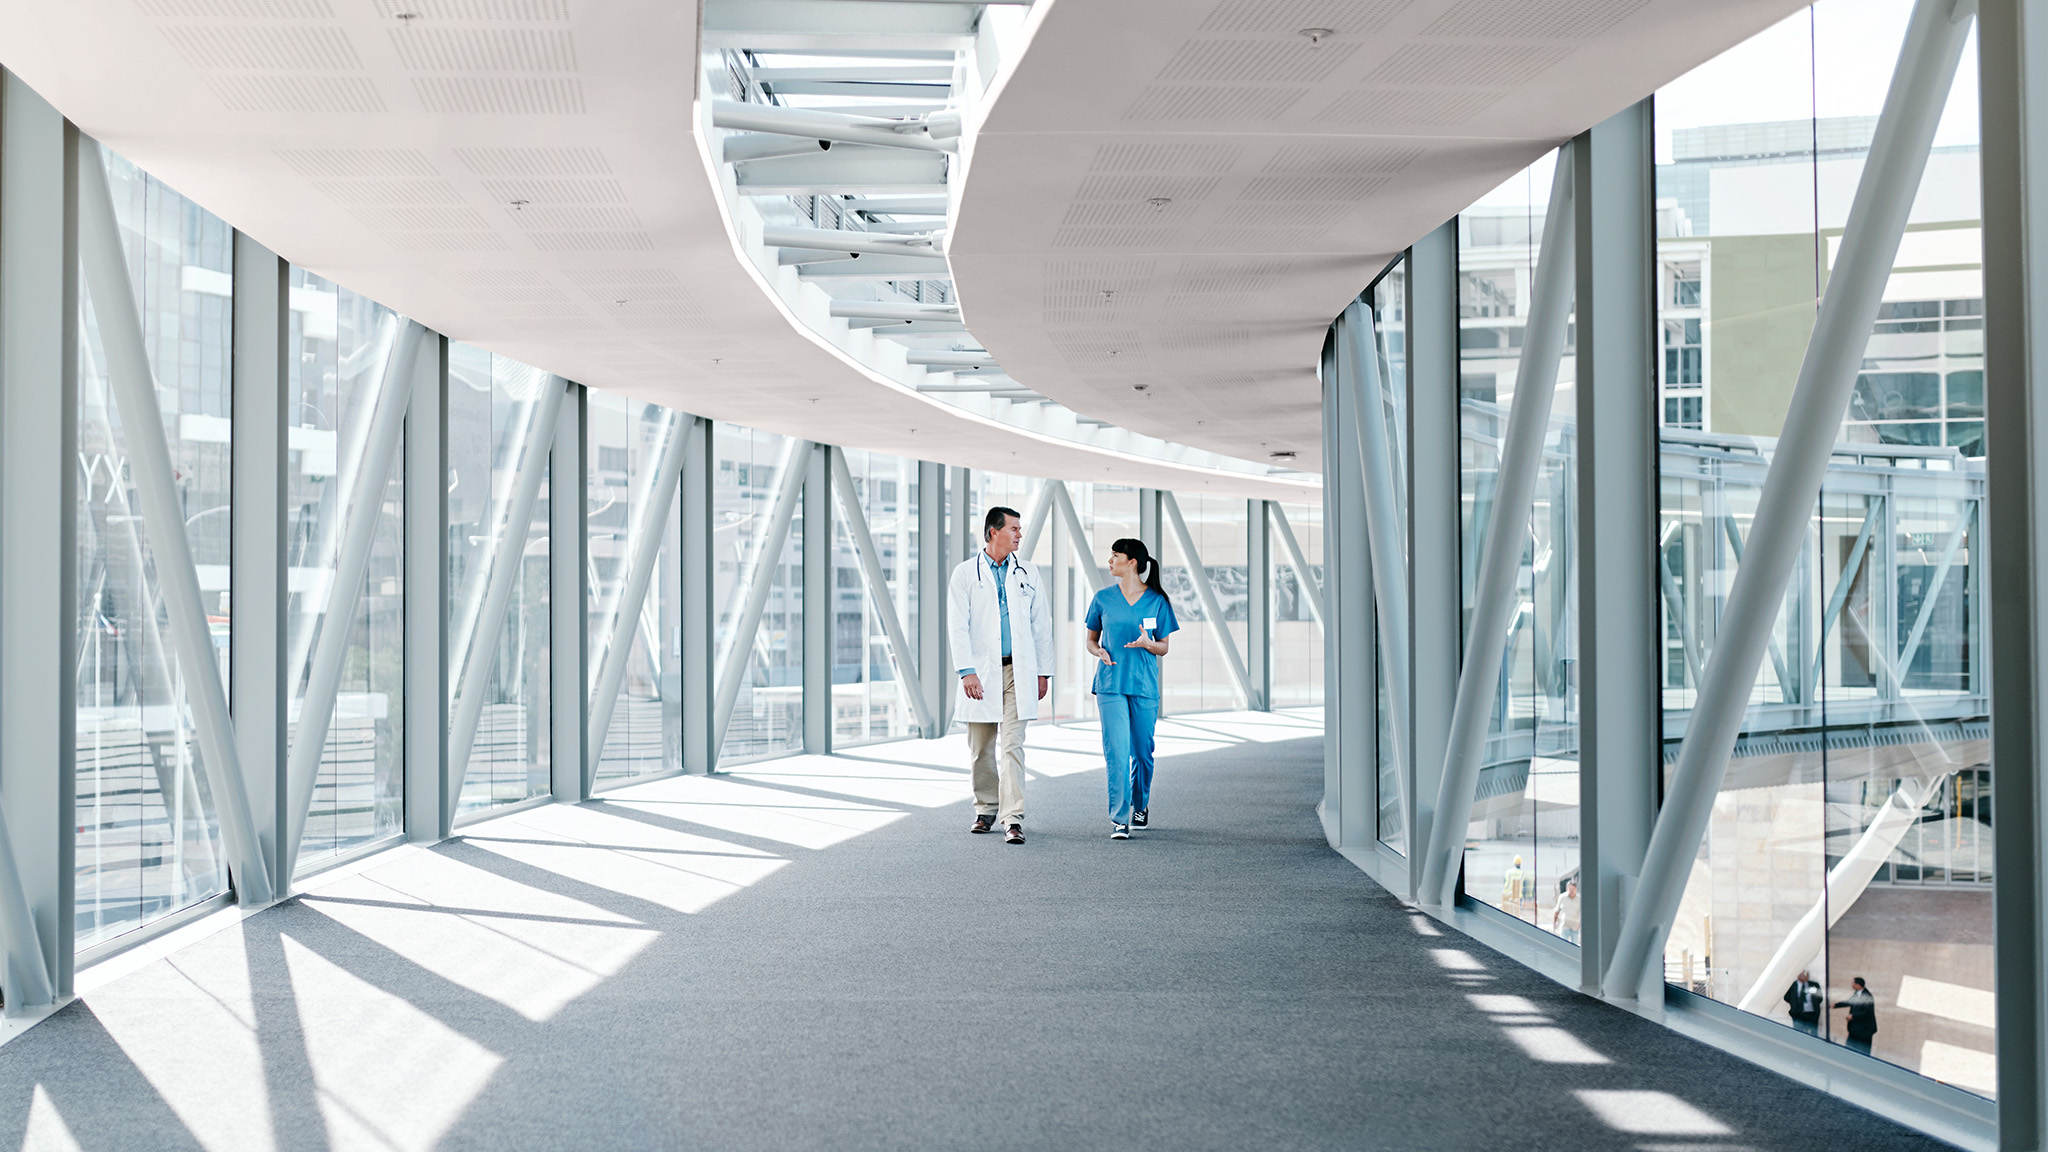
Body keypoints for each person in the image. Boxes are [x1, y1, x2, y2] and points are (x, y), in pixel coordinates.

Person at [949, 505, 1054, 845]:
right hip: (980, 673)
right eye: (1014, 529)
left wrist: (1043, 672)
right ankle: (985, 809)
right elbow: (957, 626)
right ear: (993, 532)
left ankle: (1013, 818)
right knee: (981, 748)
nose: (1019, 535)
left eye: (1020, 529)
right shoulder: (965, 573)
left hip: (1017, 672)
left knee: (1012, 745)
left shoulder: (1028, 572)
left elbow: (1042, 625)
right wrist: (967, 672)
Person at [1083, 538, 1179, 839]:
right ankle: (1120, 818)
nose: (1109, 560)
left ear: (1132, 562)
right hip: (1111, 683)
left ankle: (1141, 805)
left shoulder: (1157, 601)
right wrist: (1098, 651)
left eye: (1115, 555)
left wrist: (1148, 643)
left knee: (1142, 752)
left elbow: (1163, 647)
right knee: (1117, 750)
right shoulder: (1102, 598)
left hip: (1143, 686)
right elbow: (1091, 640)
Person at [1835, 977, 1878, 1055]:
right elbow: (1849, 1002)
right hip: (1855, 1027)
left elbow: (1867, 1012)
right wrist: (1836, 1005)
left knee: (1863, 1050)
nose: (1852, 985)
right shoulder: (1857, 993)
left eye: (1853, 983)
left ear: (1858, 985)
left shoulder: (1867, 996)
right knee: (1850, 1047)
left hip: (1864, 1029)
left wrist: (1853, 1016)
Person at [1784, 970, 1824, 1037]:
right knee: (1798, 1034)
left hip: (1812, 1014)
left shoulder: (1813, 984)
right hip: (1798, 1014)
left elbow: (1820, 998)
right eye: (1802, 974)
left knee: (1813, 1034)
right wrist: (1794, 1005)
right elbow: (1786, 997)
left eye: (1806, 974)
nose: (1804, 976)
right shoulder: (1794, 985)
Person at [1551, 879, 1581, 945]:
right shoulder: (1562, 897)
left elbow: (1583, 913)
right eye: (1570, 889)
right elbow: (1557, 911)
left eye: (1573, 889)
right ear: (1567, 888)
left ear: (1576, 889)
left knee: (1575, 945)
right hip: (1564, 926)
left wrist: (1580, 924)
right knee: (1563, 945)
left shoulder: (1579, 899)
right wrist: (1554, 922)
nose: (1572, 891)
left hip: (1575, 927)